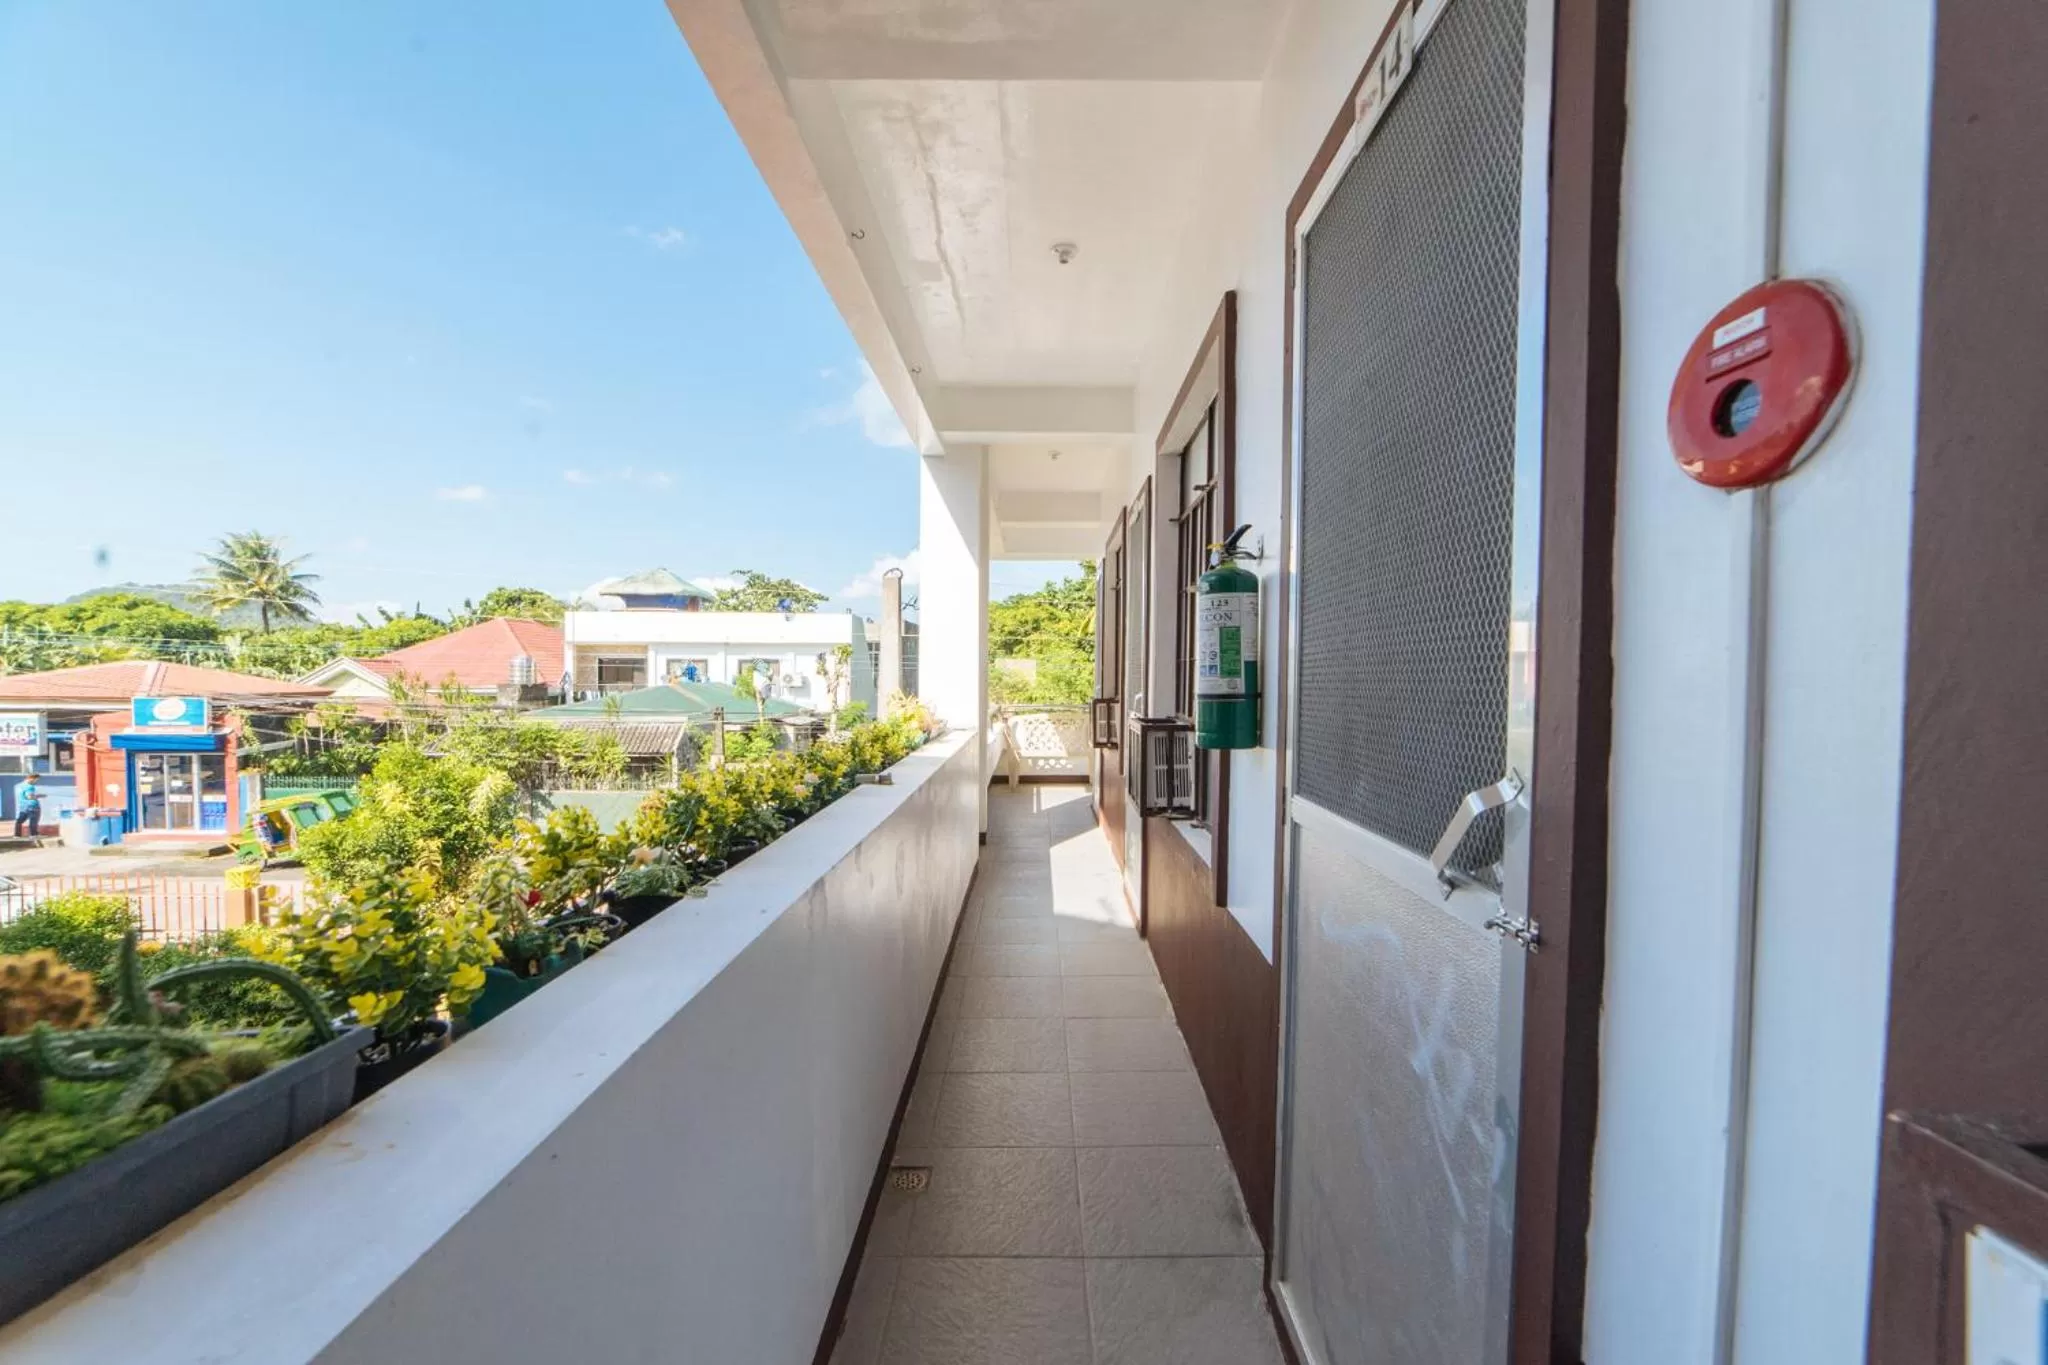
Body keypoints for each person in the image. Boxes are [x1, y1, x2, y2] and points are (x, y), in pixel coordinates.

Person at [12, 776, 42, 841]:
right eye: (36, 780)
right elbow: (29, 797)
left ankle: (17, 835)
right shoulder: (30, 786)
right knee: (33, 820)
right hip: (32, 806)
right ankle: (33, 835)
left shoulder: (19, 785)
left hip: (23, 806)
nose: (36, 782)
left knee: (19, 821)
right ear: (31, 778)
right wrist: (40, 796)